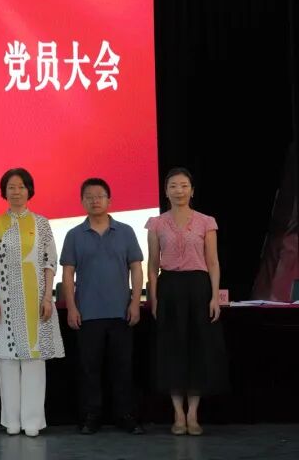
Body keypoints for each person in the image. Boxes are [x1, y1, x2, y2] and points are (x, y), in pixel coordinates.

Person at [0, 168, 65, 437]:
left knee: (34, 360)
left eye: (21, 187)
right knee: (7, 361)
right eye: (11, 187)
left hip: (36, 300)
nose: (16, 192)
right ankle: (11, 421)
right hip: (4, 300)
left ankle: (32, 421)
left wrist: (48, 297)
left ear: (29, 190)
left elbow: (50, 262)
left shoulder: (42, 224)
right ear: (4, 192)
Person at [146, 167, 227, 436]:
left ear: (192, 191)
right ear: (166, 191)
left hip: (199, 287)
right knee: (172, 349)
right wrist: (154, 296)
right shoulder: (156, 223)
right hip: (169, 287)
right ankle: (177, 414)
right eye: (173, 186)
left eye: (183, 186)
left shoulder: (206, 222)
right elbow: (153, 264)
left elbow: (213, 262)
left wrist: (214, 296)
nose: (178, 190)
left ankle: (193, 414)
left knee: (197, 349)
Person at [60, 178, 144, 435]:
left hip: (121, 312)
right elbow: (67, 274)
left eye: (100, 196)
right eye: (89, 196)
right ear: (82, 201)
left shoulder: (126, 231)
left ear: (109, 200)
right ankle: (90, 416)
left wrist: (135, 302)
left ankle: (126, 416)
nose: (95, 200)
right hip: (87, 313)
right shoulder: (74, 235)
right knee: (89, 369)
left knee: (122, 368)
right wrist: (71, 307)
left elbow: (136, 268)